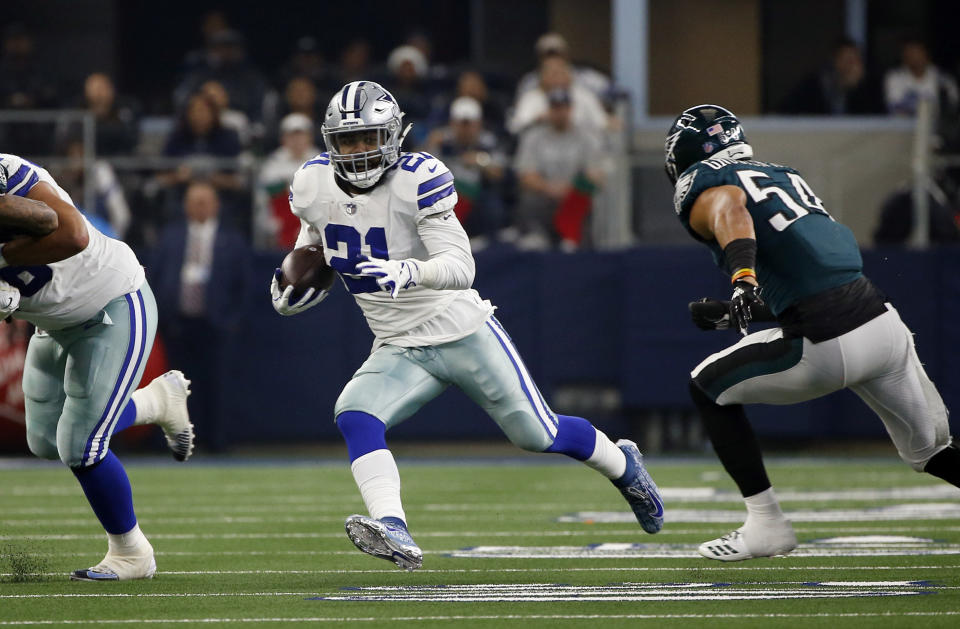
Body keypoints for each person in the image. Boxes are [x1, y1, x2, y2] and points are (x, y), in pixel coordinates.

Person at [269, 81, 664, 570]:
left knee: (536, 433)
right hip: (397, 343)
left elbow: (461, 266)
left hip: (460, 330)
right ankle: (393, 526)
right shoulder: (313, 183)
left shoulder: (418, 178)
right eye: (348, 141)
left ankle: (624, 466)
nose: (358, 151)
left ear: (393, 137)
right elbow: (316, 236)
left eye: (368, 139)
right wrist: (296, 279)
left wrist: (409, 271)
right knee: (354, 413)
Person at [663, 104, 959, 562]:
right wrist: (735, 311)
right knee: (934, 453)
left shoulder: (706, 185)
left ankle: (767, 525)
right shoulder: (781, 173)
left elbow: (729, 205)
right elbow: (813, 279)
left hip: (824, 343)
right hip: (882, 326)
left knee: (706, 387)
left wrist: (742, 277)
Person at [0, 152, 195, 580]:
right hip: (53, 322)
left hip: (112, 303)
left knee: (80, 445)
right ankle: (154, 402)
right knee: (44, 442)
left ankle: (132, 554)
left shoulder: (11, 176)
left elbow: (72, 235)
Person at [149, 180, 251, 452]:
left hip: (216, 323)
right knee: (176, 386)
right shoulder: (172, 235)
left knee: (217, 384)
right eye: (193, 201)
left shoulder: (232, 240)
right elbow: (156, 277)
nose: (198, 207)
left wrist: (231, 321)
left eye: (204, 201)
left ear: (216, 205)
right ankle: (178, 440)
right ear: (185, 206)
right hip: (178, 323)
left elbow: (243, 285)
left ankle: (216, 441)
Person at [513, 88, 606, 250]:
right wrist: (550, 188)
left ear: (570, 109)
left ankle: (572, 237)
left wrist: (571, 188)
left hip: (574, 196)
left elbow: (595, 174)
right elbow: (526, 175)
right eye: (555, 108)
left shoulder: (586, 138)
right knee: (529, 198)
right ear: (549, 110)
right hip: (545, 194)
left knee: (587, 194)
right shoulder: (534, 137)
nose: (559, 113)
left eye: (563, 107)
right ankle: (537, 236)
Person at [424, 96, 506, 244]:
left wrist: (480, 161)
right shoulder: (441, 139)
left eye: (470, 124)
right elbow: (420, 169)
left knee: (492, 203)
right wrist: (430, 145)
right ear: (452, 123)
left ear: (479, 124)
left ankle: (484, 240)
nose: (465, 129)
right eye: (462, 124)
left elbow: (498, 173)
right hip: (446, 191)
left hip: (476, 193)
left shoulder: (488, 141)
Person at [255, 113, 320, 250]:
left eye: (301, 135)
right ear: (284, 138)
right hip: (280, 230)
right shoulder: (272, 164)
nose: (297, 140)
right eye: (292, 136)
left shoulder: (322, 161)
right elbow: (265, 198)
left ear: (309, 137)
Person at [778, 38, 884, 115]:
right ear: (835, 61)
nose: (852, 65)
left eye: (856, 60)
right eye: (847, 60)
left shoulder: (868, 87)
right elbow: (787, 112)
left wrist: (858, 88)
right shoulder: (814, 85)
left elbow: (875, 118)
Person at [884, 38, 959, 117]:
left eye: (916, 52)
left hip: (936, 127)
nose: (913, 57)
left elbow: (952, 109)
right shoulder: (895, 77)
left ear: (927, 55)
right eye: (909, 53)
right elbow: (895, 109)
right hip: (905, 126)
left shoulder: (943, 79)